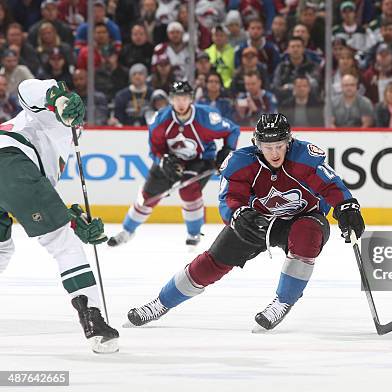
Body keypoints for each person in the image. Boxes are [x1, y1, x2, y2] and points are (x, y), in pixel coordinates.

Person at [124, 113, 365, 331]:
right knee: (212, 263)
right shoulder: (241, 162)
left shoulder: (305, 156)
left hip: (304, 218)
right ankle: (160, 303)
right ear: (256, 144)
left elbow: (331, 185)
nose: (274, 153)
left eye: (279, 145)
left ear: (289, 141)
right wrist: (239, 214)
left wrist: (346, 207)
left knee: (307, 233)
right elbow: (229, 198)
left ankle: (283, 302)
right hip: (257, 222)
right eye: (267, 146)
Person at [0, 78, 118, 353]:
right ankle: (93, 320)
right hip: (10, 162)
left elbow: (37, 197)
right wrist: (58, 97)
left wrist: (73, 219)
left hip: (12, 173)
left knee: (2, 249)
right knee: (64, 244)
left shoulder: (54, 144)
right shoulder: (48, 114)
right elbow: (27, 89)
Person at [108, 81, 240, 248]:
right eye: (177, 98)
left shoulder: (207, 117)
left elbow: (233, 130)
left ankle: (193, 233)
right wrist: (162, 160)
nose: (181, 103)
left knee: (188, 189)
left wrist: (227, 149)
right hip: (171, 160)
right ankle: (127, 231)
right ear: (170, 99)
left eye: (184, 98)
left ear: (191, 99)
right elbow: (154, 150)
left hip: (200, 160)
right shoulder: (160, 121)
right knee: (148, 195)